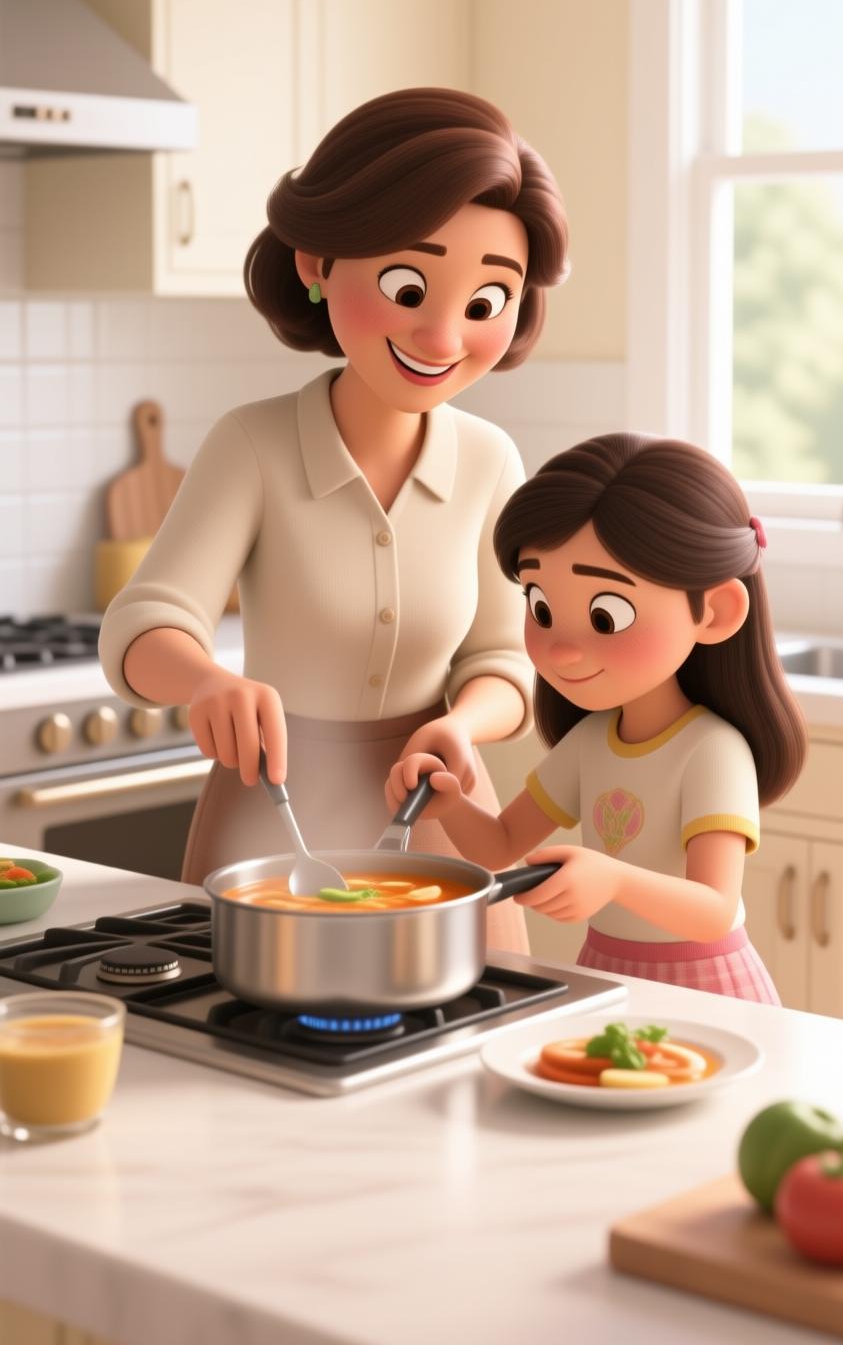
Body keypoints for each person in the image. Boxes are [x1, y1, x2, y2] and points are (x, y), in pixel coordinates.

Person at [99, 88, 569, 952]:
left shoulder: (492, 460)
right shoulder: (254, 445)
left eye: (484, 302)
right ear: (317, 263)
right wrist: (205, 682)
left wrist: (463, 725)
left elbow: (508, 662)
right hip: (271, 824)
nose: (440, 335)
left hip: (444, 820)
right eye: (407, 285)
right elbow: (143, 623)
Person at [386, 432, 807, 999]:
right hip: (607, 973)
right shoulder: (591, 740)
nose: (562, 649)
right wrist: (450, 804)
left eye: (607, 615)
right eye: (542, 607)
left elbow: (714, 909)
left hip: (706, 983)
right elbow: (500, 844)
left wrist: (612, 879)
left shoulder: (713, 750)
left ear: (716, 612)